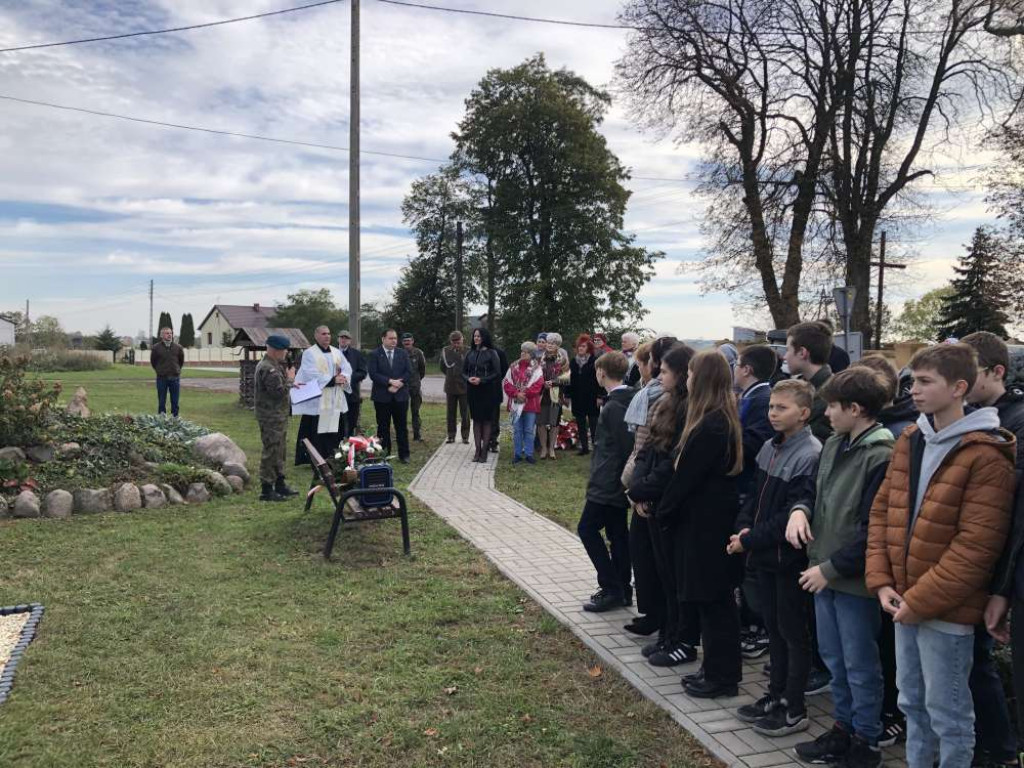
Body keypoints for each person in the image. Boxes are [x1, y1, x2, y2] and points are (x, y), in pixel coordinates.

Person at [866, 344, 1016, 768]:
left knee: (948, 713)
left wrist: (921, 601)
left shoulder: (986, 454)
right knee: (912, 701)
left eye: (926, 381)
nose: (913, 389)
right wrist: (882, 583)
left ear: (959, 388)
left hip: (944, 609)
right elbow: (883, 511)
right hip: (903, 599)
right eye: (912, 380)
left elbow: (976, 546)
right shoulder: (912, 439)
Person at [784, 368, 895, 767]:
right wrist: (799, 510)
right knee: (834, 660)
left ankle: (865, 741)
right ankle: (843, 729)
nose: (825, 412)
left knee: (860, 664)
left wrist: (830, 569)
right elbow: (813, 492)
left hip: (852, 580)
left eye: (832, 405)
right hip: (823, 573)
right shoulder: (833, 443)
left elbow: (874, 530)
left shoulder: (881, 455)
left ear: (856, 408)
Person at [729, 379, 821, 737]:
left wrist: (750, 540)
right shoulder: (769, 446)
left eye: (781, 408)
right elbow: (753, 496)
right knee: (774, 630)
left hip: (787, 559)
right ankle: (775, 694)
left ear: (803, 413)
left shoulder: (810, 453)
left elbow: (789, 515)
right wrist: (741, 529)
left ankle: (794, 707)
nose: (772, 413)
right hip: (763, 555)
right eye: (771, 407)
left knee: (792, 633)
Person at [662, 349, 745, 698]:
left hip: (707, 525)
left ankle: (723, 676)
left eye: (693, 374)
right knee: (709, 601)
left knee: (715, 602)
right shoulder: (712, 418)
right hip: (703, 521)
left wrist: (664, 510)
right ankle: (713, 668)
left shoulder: (712, 424)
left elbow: (686, 478)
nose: (689, 379)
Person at [961, 332, 1023, 768]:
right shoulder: (970, 418)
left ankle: (998, 747)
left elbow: (1009, 513)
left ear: (996, 372)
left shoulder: (1013, 423)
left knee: (979, 659)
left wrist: (1001, 585)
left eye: (970, 373)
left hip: (994, 562)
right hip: (976, 561)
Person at [850, 355, 914, 746]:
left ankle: (895, 712)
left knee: (889, 648)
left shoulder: (893, 439)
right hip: (877, 562)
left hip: (895, 563)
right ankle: (883, 710)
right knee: (877, 644)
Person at [629, 341, 701, 667]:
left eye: (667, 370)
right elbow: (648, 448)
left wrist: (645, 491)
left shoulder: (691, 410)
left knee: (675, 578)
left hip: (668, 503)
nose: (660, 373)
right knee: (662, 574)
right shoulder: (665, 402)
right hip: (651, 499)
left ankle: (681, 637)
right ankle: (668, 633)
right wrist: (637, 488)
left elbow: (672, 462)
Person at [577, 351, 637, 611]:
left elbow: (625, 448)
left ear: (602, 373)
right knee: (617, 534)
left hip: (609, 482)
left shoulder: (614, 406)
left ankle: (611, 585)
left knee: (587, 529)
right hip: (614, 480)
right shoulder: (626, 400)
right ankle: (622, 589)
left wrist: (620, 481)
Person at [620, 342, 665, 636]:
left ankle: (661, 619)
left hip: (649, 488)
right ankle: (650, 612)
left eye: (641, 363)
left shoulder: (662, 400)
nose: (638, 369)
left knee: (653, 560)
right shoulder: (647, 395)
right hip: (640, 481)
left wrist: (641, 489)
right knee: (641, 554)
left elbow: (654, 448)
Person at [294, 325, 351, 467]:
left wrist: (343, 377)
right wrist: (332, 380)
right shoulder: (309, 353)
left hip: (335, 397)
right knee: (318, 430)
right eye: (324, 334)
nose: (327, 336)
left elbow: (347, 368)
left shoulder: (337, 352)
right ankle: (318, 459)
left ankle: (334, 456)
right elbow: (309, 373)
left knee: (335, 429)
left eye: (329, 333)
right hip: (319, 399)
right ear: (316, 336)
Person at [255, 334, 301, 502]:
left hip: (277, 416)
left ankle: (280, 483)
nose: (286, 352)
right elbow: (277, 393)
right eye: (284, 349)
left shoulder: (273, 365)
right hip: (271, 417)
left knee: (280, 450)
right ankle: (267, 490)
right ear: (275, 350)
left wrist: (290, 382)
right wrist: (290, 380)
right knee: (271, 451)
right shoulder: (268, 368)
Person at [735, 345, 778, 498]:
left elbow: (754, 443)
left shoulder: (762, 400)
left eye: (736, 364)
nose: (734, 369)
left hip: (746, 482)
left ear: (747, 370)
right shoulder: (753, 396)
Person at [367, 328, 412, 464]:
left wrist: (399, 383)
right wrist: (390, 382)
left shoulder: (402, 353)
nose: (394, 341)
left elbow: (408, 372)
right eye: (391, 338)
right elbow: (373, 374)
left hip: (400, 397)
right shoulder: (375, 354)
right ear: (383, 339)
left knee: (401, 426)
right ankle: (384, 454)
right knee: (383, 427)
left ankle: (404, 455)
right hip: (382, 397)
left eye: (395, 338)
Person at [785, 321, 835, 442]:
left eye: (788, 350)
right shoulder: (804, 386)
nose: (784, 356)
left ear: (802, 353)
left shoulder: (829, 396)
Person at [464, 327, 502, 463]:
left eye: (479, 336)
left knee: (486, 421)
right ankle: (477, 450)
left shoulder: (492, 353)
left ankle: (485, 450)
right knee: (476, 421)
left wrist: (482, 380)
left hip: (487, 391)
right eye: (475, 336)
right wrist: (468, 378)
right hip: (473, 391)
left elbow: (497, 373)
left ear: (484, 337)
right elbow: (463, 371)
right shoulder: (470, 353)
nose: (476, 338)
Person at [503, 341, 545, 464]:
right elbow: (507, 383)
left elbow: (538, 385)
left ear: (531, 354)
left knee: (528, 430)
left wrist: (524, 394)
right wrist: (517, 394)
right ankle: (517, 454)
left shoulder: (537, 368)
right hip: (516, 404)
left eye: (526, 352)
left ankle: (528, 454)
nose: (523, 353)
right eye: (522, 351)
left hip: (530, 404)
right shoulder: (513, 366)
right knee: (517, 430)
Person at [567, 334, 603, 456]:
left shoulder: (595, 361)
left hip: (592, 397)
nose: (581, 348)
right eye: (579, 346)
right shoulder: (573, 362)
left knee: (594, 424)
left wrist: (600, 396)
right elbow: (569, 379)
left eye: (583, 346)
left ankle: (596, 448)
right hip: (577, 397)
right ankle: (584, 447)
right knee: (580, 423)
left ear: (589, 348)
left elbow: (600, 381)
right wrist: (567, 395)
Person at [537, 333, 567, 460]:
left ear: (558, 346)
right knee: (541, 423)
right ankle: (544, 448)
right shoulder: (539, 359)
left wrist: (554, 383)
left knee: (554, 423)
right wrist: (543, 383)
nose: (549, 344)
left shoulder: (563, 360)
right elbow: (533, 377)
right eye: (548, 342)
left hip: (556, 395)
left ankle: (551, 448)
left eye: (553, 343)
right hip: (541, 395)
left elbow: (567, 379)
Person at [440, 331, 470, 444]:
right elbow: (443, 367)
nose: (456, 344)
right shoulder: (446, 350)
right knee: (450, 413)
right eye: (454, 342)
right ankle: (451, 435)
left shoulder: (469, 350)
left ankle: (465, 436)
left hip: (464, 386)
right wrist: (450, 375)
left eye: (458, 341)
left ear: (463, 339)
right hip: (450, 386)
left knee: (465, 413)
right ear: (450, 341)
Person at [338, 330, 367, 437]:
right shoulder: (331, 353)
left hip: (352, 395)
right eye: (342, 337)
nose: (343, 339)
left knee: (351, 423)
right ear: (338, 339)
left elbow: (363, 373)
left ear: (349, 341)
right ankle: (337, 447)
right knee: (337, 423)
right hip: (335, 393)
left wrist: (348, 378)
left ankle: (349, 446)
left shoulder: (357, 354)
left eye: (346, 338)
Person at [151, 326, 185, 417]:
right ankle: (162, 418)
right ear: (162, 335)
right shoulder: (156, 348)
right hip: (162, 378)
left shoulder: (178, 347)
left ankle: (175, 417)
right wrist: (159, 370)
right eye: (167, 333)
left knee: (175, 400)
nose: (169, 335)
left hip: (175, 378)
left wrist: (176, 369)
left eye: (170, 333)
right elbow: (153, 362)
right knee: (162, 400)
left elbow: (181, 361)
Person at [401, 332, 427, 442]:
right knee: (401, 412)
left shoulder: (418, 353)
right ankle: (402, 435)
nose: (407, 342)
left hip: (415, 387)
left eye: (409, 340)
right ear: (402, 342)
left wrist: (416, 381)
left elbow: (422, 370)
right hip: (402, 387)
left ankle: (417, 435)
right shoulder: (399, 353)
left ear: (412, 341)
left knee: (415, 412)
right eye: (405, 341)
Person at [489, 341, 510, 453]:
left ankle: (493, 441)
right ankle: (484, 441)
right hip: (480, 390)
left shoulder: (499, 353)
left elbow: (504, 369)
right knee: (483, 418)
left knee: (494, 417)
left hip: (494, 389)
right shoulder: (476, 352)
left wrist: (495, 380)